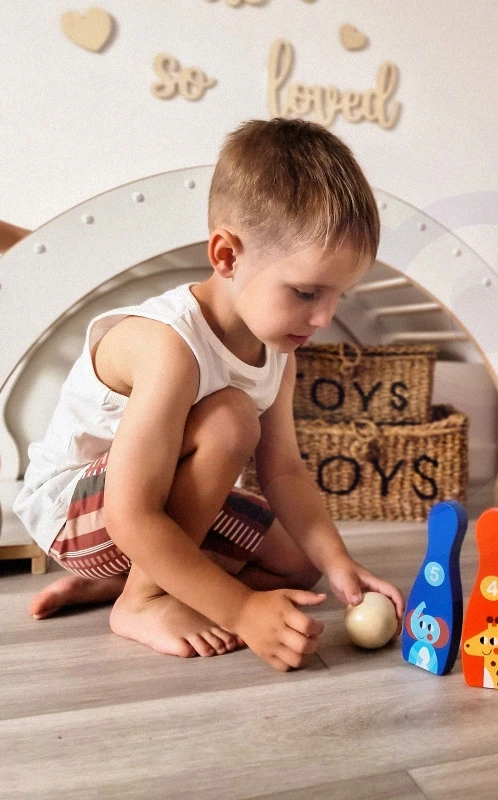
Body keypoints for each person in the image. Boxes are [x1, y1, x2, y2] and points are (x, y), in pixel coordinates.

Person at [14, 118, 404, 672]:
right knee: (231, 420)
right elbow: (130, 514)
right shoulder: (169, 347)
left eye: (338, 295)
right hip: (77, 515)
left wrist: (339, 561)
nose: (324, 317)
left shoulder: (278, 351)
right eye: (306, 292)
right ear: (226, 256)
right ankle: (141, 600)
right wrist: (241, 610)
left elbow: (285, 472)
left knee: (299, 567)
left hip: (147, 512)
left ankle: (122, 584)